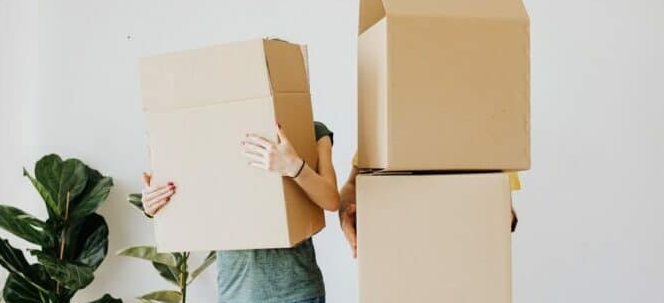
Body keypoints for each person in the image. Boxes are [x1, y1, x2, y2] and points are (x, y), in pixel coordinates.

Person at [141, 122, 339, 303]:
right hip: (235, 292)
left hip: (297, 293)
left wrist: (293, 166)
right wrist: (155, 204)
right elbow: (190, 197)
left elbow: (331, 200)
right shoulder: (207, 132)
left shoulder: (310, 129)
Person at [338, 153, 520, 258]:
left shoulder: (488, 126)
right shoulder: (390, 119)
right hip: (398, 262)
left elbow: (504, 207)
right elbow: (353, 185)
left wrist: (502, 216)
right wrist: (345, 215)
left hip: (465, 263)